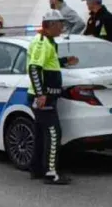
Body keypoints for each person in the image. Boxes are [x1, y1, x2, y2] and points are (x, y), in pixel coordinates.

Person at [26, 10, 79, 185]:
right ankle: (50, 172)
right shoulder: (42, 43)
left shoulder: (49, 42)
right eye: (60, 24)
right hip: (44, 97)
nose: (62, 27)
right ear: (51, 25)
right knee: (53, 133)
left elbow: (49, 63)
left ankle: (37, 169)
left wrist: (64, 61)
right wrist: (41, 94)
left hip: (47, 95)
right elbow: (34, 68)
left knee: (42, 133)